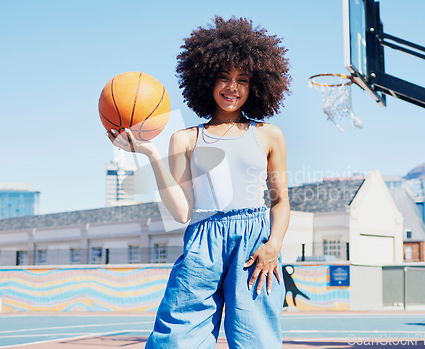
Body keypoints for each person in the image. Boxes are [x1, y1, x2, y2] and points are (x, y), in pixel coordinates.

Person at [107, 16, 291, 349]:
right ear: (205, 80)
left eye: (243, 79)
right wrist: (149, 153)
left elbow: (280, 201)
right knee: (175, 340)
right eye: (223, 77)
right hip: (202, 240)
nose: (232, 88)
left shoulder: (269, 135)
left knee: (257, 342)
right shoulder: (185, 139)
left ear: (256, 85)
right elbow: (181, 213)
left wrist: (273, 246)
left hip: (254, 245)